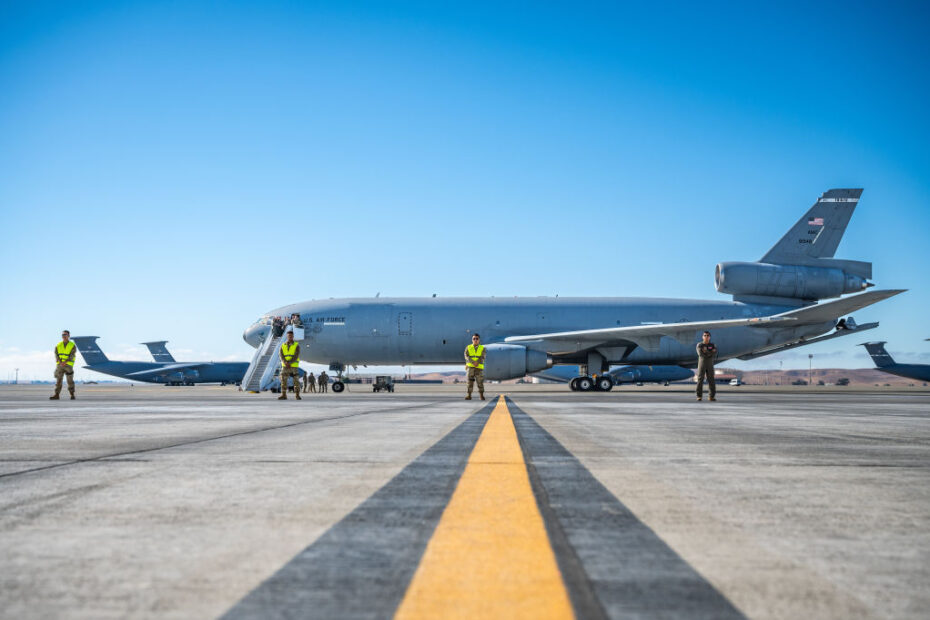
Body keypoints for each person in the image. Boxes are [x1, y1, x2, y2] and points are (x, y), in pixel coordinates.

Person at [50, 330, 77, 400]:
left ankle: (72, 394)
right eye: (63, 335)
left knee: (70, 381)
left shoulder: (72, 345)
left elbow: (72, 355)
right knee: (58, 380)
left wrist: (65, 362)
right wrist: (60, 361)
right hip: (60, 365)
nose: (64, 336)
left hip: (68, 365)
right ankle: (56, 395)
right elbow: (56, 354)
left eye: (65, 334)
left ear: (68, 336)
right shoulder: (58, 345)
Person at [278, 330, 301, 400]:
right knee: (283, 380)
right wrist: (285, 362)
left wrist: (289, 362)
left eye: (291, 336)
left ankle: (297, 395)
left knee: (296, 381)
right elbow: (281, 355)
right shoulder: (283, 345)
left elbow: (296, 355)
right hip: (285, 366)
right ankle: (284, 395)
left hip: (293, 365)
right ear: (287, 336)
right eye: (288, 336)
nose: (290, 337)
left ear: (293, 336)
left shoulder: (296, 345)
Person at [696, 330, 717, 401]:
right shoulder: (699, 345)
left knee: (711, 380)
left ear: (710, 337)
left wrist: (706, 351)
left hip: (710, 364)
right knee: (700, 379)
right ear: (702, 337)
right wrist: (709, 352)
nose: (706, 337)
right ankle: (699, 396)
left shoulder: (712, 345)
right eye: (705, 335)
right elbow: (700, 354)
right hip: (702, 364)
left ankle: (711, 396)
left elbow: (714, 353)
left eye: (708, 335)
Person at [464, 333, 486, 400]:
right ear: (472, 340)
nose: (475, 340)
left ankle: (481, 395)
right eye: (474, 339)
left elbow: (483, 357)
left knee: (480, 382)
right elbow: (466, 356)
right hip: (470, 367)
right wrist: (473, 362)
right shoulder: (468, 347)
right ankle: (469, 395)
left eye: (477, 339)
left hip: (478, 368)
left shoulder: (482, 348)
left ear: (479, 340)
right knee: (469, 382)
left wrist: (477, 362)